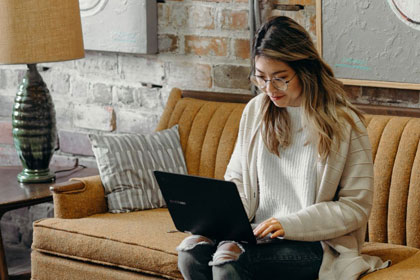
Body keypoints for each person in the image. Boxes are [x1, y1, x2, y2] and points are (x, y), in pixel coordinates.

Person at [176, 16, 389, 280]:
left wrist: (287, 225)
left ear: (305, 70)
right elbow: (238, 180)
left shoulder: (344, 124)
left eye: (280, 78)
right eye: (261, 78)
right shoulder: (256, 111)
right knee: (190, 253)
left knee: (227, 264)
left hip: (316, 245)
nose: (269, 89)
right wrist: (222, 223)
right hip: (255, 235)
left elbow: (354, 207)